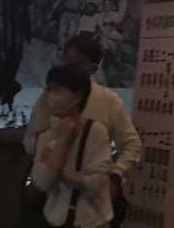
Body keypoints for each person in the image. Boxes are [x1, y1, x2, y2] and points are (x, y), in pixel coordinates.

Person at [25, 33, 140, 218]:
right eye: (65, 60)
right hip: (51, 197)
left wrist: (115, 175)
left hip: (89, 204)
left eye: (77, 63)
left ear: (93, 69)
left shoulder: (108, 103)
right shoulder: (48, 98)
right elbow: (30, 140)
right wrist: (48, 149)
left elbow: (131, 145)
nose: (68, 68)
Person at [30, 64, 113, 228]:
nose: (51, 97)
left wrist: (66, 173)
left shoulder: (96, 132)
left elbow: (99, 183)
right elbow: (41, 182)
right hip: (55, 220)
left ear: (78, 95)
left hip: (91, 223)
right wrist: (63, 140)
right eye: (49, 90)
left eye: (57, 91)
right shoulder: (46, 136)